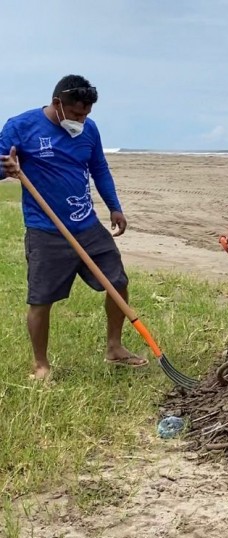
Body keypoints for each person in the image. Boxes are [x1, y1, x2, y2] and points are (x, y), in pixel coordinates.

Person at [0, 74, 146, 381]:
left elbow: (99, 169)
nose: (82, 120)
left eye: (86, 114)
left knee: (117, 281)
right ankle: (41, 365)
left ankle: (114, 347)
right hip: (46, 230)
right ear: (58, 104)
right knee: (41, 299)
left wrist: (114, 206)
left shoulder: (89, 130)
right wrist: (6, 169)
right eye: (77, 113)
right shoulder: (20, 126)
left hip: (87, 225)